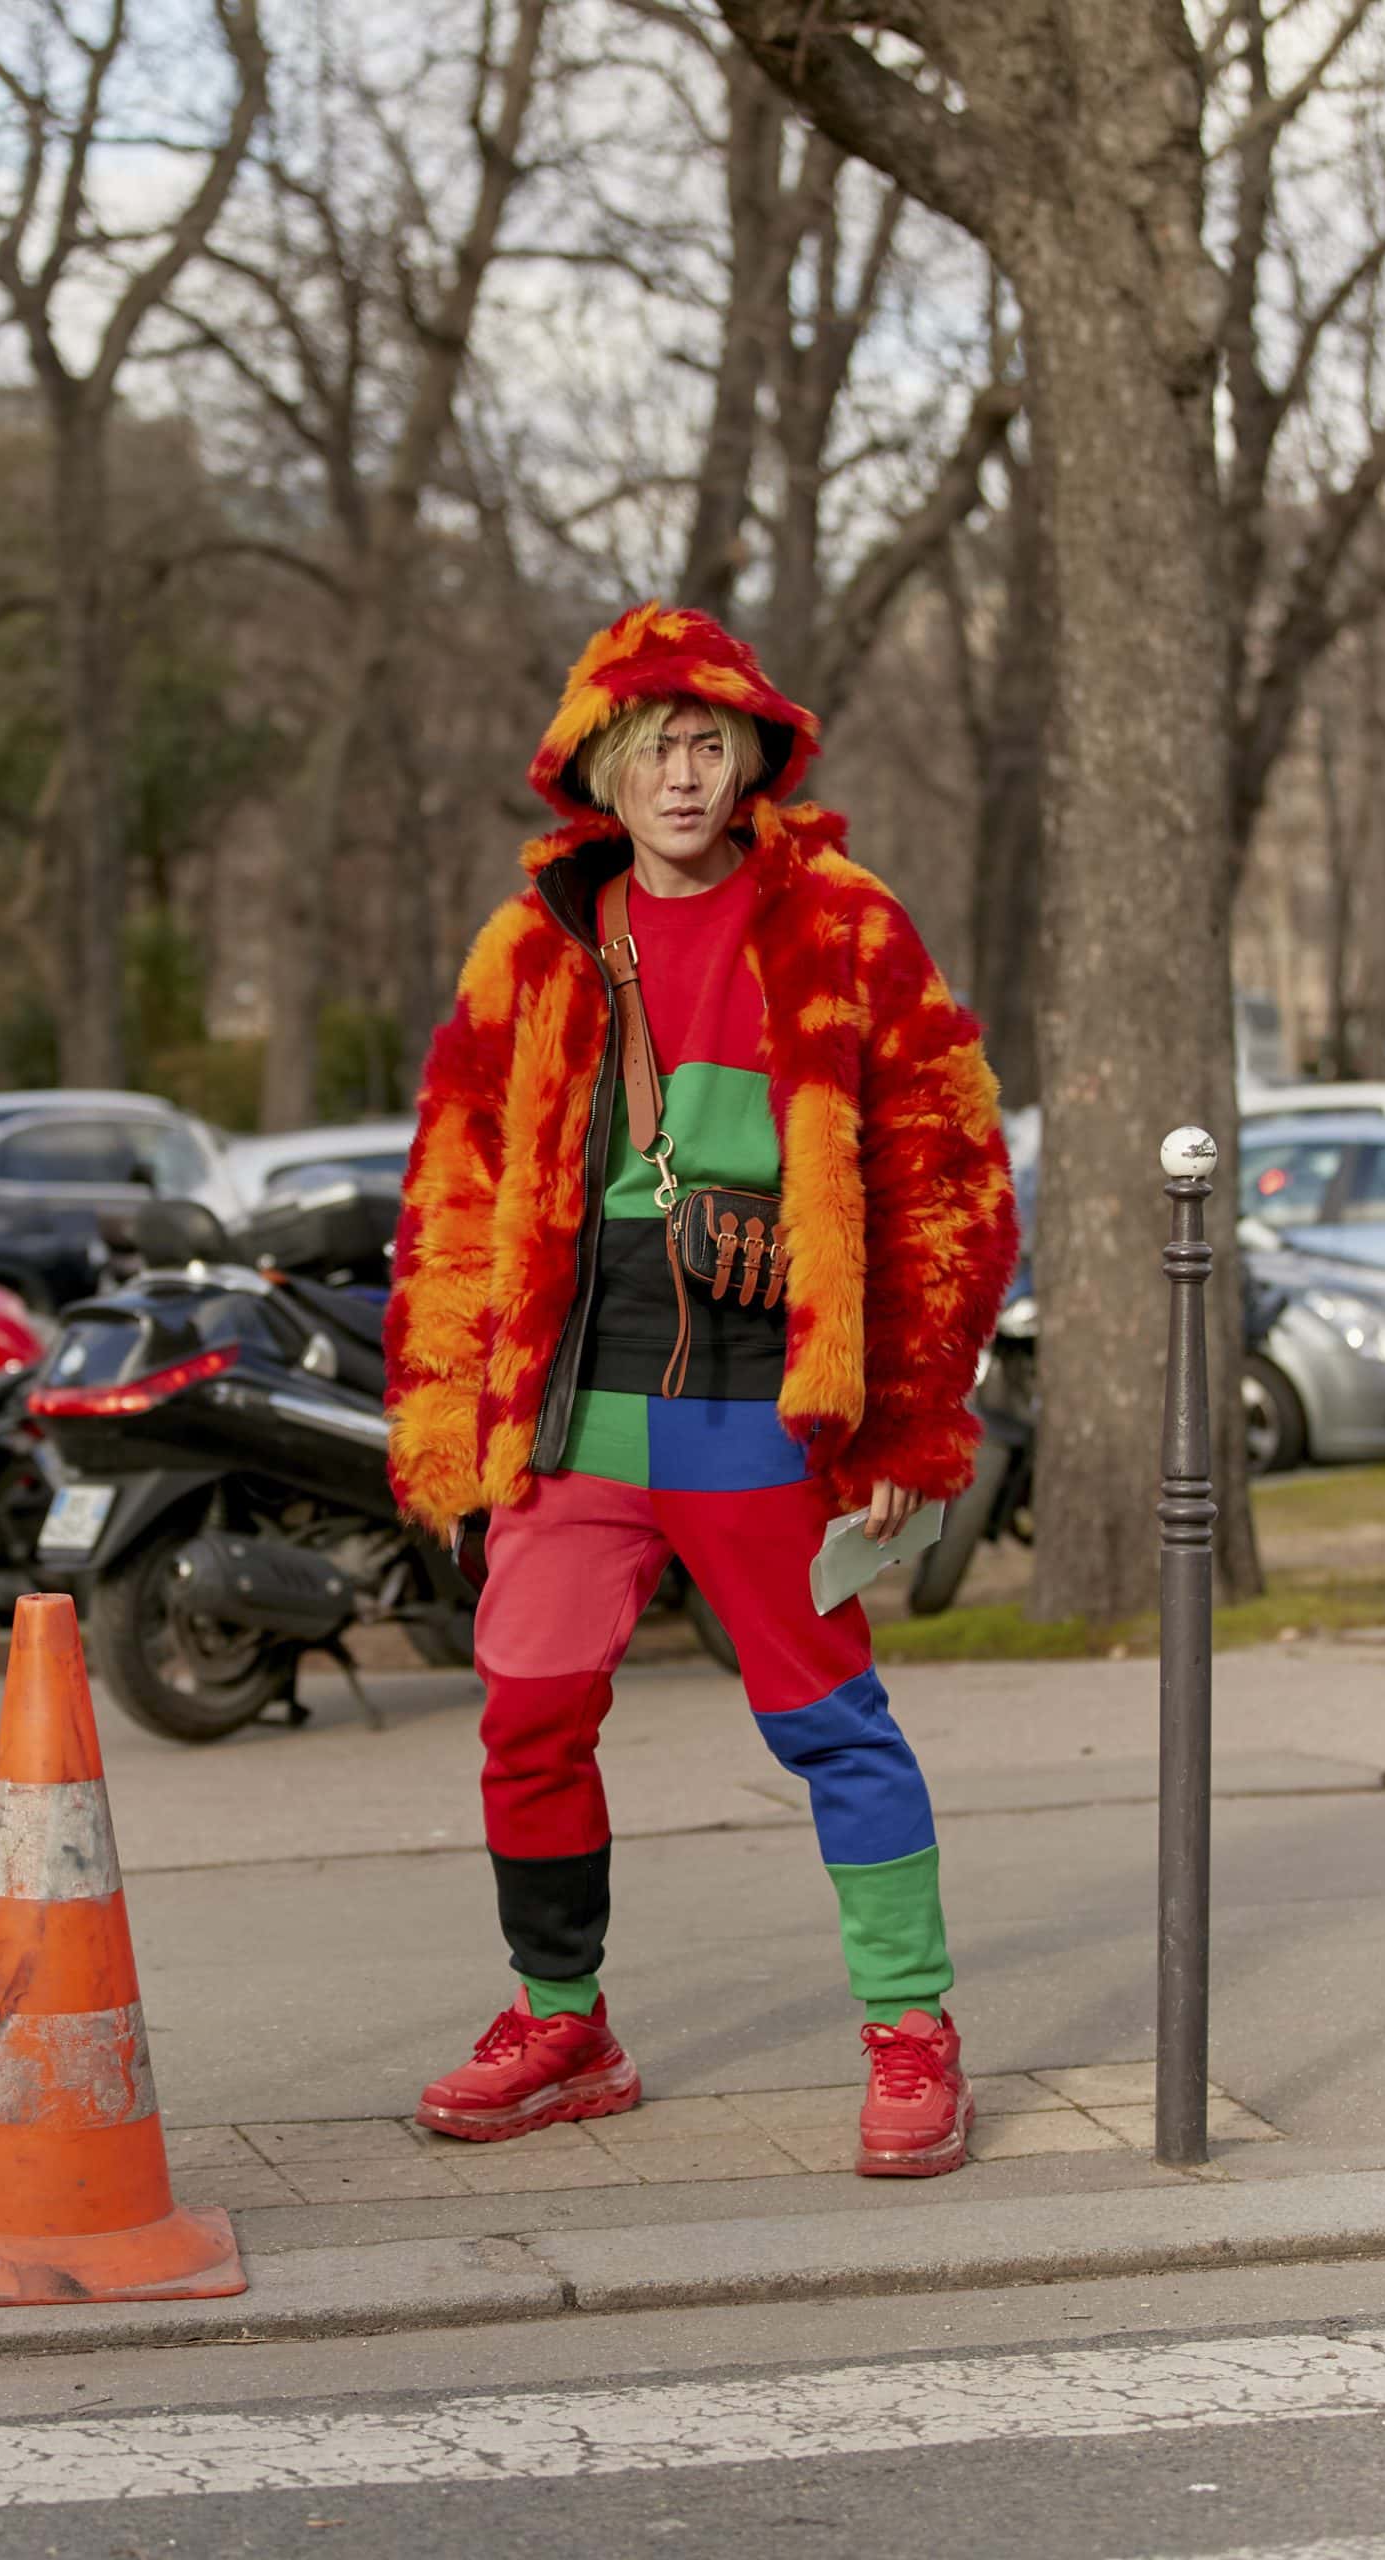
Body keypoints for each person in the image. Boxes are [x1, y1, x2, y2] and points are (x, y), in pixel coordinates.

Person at [383, 603, 1017, 2176]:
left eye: (707, 742)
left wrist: (911, 1418)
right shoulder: (532, 946)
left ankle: (913, 2031)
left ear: (750, 759)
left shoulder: (845, 925)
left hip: (764, 1403)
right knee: (528, 1712)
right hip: (574, 1405)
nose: (682, 772)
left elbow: (950, 1176)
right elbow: (454, 1197)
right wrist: (452, 1427)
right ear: (598, 763)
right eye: (652, 743)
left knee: (832, 1724)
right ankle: (562, 2022)